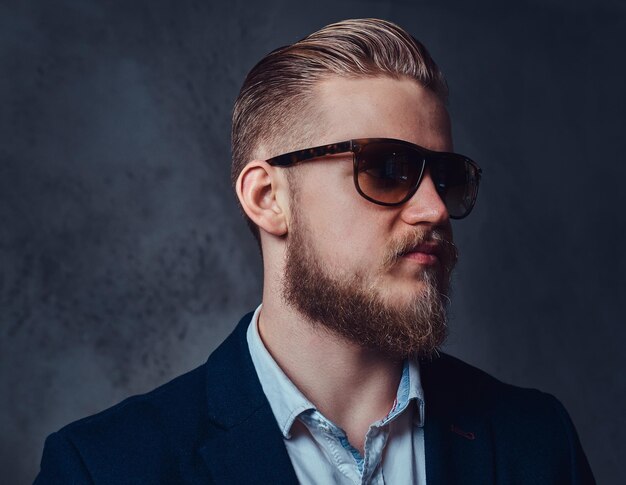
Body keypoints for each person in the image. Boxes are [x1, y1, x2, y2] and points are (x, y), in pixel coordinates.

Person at [35, 18, 594, 484]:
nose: (434, 210)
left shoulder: (538, 443)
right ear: (268, 197)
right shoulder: (103, 467)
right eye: (387, 168)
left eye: (445, 177)